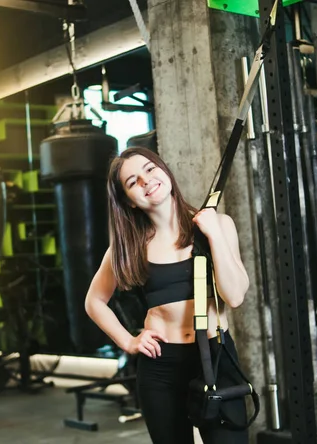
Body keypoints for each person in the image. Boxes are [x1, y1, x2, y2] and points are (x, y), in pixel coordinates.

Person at [85, 147, 250, 444]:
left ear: (165, 171)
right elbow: (94, 301)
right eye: (133, 181)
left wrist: (212, 235)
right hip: (161, 367)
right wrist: (129, 341)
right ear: (128, 201)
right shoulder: (129, 247)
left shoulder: (218, 225)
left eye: (150, 169)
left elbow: (235, 296)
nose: (146, 181)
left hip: (215, 355)